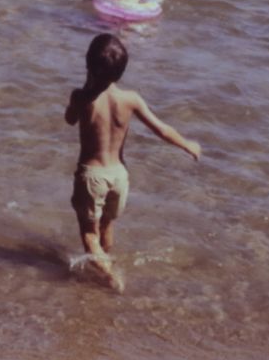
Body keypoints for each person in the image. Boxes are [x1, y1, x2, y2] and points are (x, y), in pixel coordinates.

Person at [63, 33, 201, 291]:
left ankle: (110, 275)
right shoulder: (131, 99)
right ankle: (106, 263)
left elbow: (70, 119)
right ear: (121, 72)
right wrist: (187, 144)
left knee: (89, 233)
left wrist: (86, 86)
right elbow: (161, 130)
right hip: (119, 176)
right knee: (107, 225)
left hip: (92, 175)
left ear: (88, 64)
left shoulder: (81, 97)